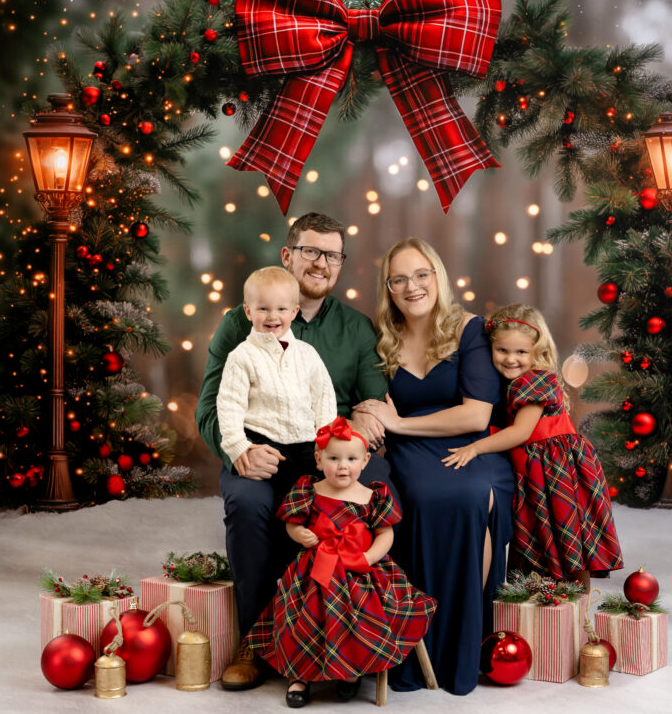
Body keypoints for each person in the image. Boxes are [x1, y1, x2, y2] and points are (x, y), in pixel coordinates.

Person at [195, 212, 393, 691]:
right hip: (258, 448)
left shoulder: (356, 328)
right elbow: (211, 407)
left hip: (328, 449)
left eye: (332, 255)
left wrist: (346, 440)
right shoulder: (239, 325)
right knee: (249, 503)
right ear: (288, 255)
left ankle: (356, 637)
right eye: (310, 251)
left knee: (376, 487)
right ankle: (255, 641)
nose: (321, 263)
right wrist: (240, 452)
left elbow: (372, 405)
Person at [353, 238, 514, 696]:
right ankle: (417, 642)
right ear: (388, 288)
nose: (412, 286)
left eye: (421, 274)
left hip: (472, 446)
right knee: (420, 498)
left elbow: (477, 415)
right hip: (411, 452)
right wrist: (368, 417)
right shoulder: (382, 337)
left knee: (472, 496)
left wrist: (400, 423)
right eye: (399, 279)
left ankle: (463, 644)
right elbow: (368, 401)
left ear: (438, 276)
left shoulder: (469, 329)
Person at [246, 416, 435, 708]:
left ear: (365, 461)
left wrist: (368, 557)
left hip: (358, 568)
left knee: (361, 612)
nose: (342, 466)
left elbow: (385, 534)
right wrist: (300, 534)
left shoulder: (373, 495)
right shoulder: (309, 489)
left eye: (351, 459)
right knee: (304, 616)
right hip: (316, 568)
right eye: (334, 458)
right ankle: (299, 676)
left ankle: (350, 671)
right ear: (319, 460)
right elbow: (292, 523)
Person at [442, 304, 624, 586]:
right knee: (543, 540)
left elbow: (520, 432)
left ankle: (578, 609)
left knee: (568, 540)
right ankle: (548, 607)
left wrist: (474, 448)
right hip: (536, 471)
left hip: (557, 471)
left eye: (521, 352)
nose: (510, 359)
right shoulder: (508, 383)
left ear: (537, 352)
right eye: (502, 350)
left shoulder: (535, 381)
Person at [216, 265, 336, 491]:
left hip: (307, 444)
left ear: (294, 311)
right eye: (263, 309)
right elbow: (230, 405)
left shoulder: (307, 353)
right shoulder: (242, 356)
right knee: (278, 496)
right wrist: (237, 446)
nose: (273, 316)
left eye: (282, 309)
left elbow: (324, 398)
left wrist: (326, 440)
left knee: (317, 492)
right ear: (248, 311)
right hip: (266, 444)